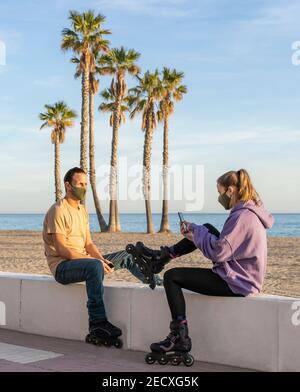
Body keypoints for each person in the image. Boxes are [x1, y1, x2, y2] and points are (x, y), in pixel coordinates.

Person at [139, 169, 274, 359]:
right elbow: (224, 246)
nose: (219, 198)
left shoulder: (241, 217)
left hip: (237, 282)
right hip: (242, 273)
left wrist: (196, 234)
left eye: (219, 193)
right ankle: (163, 256)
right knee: (207, 228)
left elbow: (219, 252)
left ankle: (180, 337)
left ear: (229, 191)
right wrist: (195, 231)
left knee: (172, 277)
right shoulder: (249, 210)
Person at [42, 167, 161, 345]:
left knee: (127, 256)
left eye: (85, 184)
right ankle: (97, 323)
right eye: (80, 184)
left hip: (85, 262)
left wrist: (101, 259)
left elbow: (88, 244)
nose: (84, 187)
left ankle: (156, 283)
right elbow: (62, 250)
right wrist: (95, 261)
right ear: (68, 185)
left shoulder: (81, 210)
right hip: (63, 267)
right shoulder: (58, 210)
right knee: (95, 266)